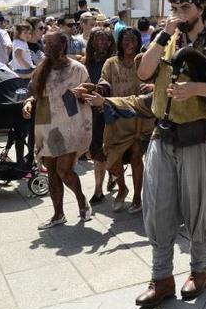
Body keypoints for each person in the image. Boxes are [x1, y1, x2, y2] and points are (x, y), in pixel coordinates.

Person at [134, 0, 206, 306]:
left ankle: (200, 271)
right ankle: (161, 278)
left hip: (200, 136)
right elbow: (143, 71)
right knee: (158, 206)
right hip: (163, 135)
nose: (179, 13)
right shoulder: (164, 41)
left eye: (185, 7)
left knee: (199, 208)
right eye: (175, 7)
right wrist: (159, 38)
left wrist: (195, 88)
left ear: (199, 8)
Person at [22, 32, 93, 230]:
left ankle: (81, 201)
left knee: (64, 170)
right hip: (47, 123)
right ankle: (58, 214)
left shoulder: (77, 68)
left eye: (51, 43)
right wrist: (28, 102)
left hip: (71, 124)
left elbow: (89, 91)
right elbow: (33, 92)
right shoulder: (41, 69)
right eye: (45, 43)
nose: (46, 46)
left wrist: (85, 93)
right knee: (52, 171)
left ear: (63, 45)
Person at [97, 28, 154, 213]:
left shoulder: (146, 60)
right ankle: (122, 187)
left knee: (137, 157)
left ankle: (137, 196)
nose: (130, 44)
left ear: (139, 41)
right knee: (112, 159)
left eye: (134, 40)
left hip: (140, 118)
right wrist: (102, 88)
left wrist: (153, 85)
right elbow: (104, 80)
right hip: (117, 119)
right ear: (120, 43)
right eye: (126, 40)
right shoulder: (111, 62)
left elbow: (160, 80)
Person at [84, 28, 117, 205]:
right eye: (98, 40)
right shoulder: (87, 63)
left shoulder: (115, 62)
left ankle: (112, 176)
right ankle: (98, 189)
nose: (102, 44)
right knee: (97, 152)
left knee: (112, 150)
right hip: (94, 115)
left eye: (105, 40)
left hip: (112, 111)